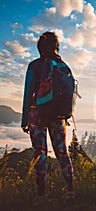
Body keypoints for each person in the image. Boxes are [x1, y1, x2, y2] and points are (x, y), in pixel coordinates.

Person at [21, 32, 75, 203]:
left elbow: (28, 93)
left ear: (39, 48)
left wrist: (24, 120)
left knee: (41, 153)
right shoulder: (63, 65)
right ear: (56, 47)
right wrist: (65, 115)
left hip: (38, 114)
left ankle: (41, 194)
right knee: (62, 152)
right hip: (59, 116)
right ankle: (71, 190)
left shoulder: (34, 66)